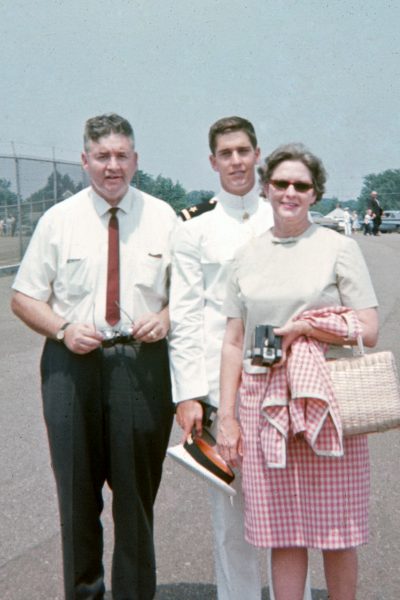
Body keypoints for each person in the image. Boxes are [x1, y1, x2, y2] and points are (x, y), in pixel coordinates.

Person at [11, 113, 177, 600]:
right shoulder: (57, 221)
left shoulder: (164, 218)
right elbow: (23, 297)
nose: (112, 167)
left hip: (140, 366)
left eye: (122, 156)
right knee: (77, 500)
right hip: (72, 366)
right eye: (102, 156)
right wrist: (62, 328)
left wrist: (164, 319)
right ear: (84, 161)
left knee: (135, 499)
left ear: (136, 160)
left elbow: (188, 296)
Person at [217, 143, 378, 600]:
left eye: (301, 185)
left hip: (325, 398)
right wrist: (226, 417)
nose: (290, 192)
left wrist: (306, 328)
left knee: (337, 528)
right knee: (283, 530)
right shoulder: (245, 257)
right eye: (281, 183)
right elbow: (232, 342)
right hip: (263, 399)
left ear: (315, 194)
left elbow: (368, 327)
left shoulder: (338, 248)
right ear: (266, 189)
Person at [169, 117, 312, 600]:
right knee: (231, 520)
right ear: (213, 162)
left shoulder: (288, 217)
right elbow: (186, 317)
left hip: (287, 385)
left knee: (293, 516)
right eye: (225, 153)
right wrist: (189, 394)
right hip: (222, 388)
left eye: (244, 151)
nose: (236, 161)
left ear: (258, 155)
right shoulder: (195, 230)